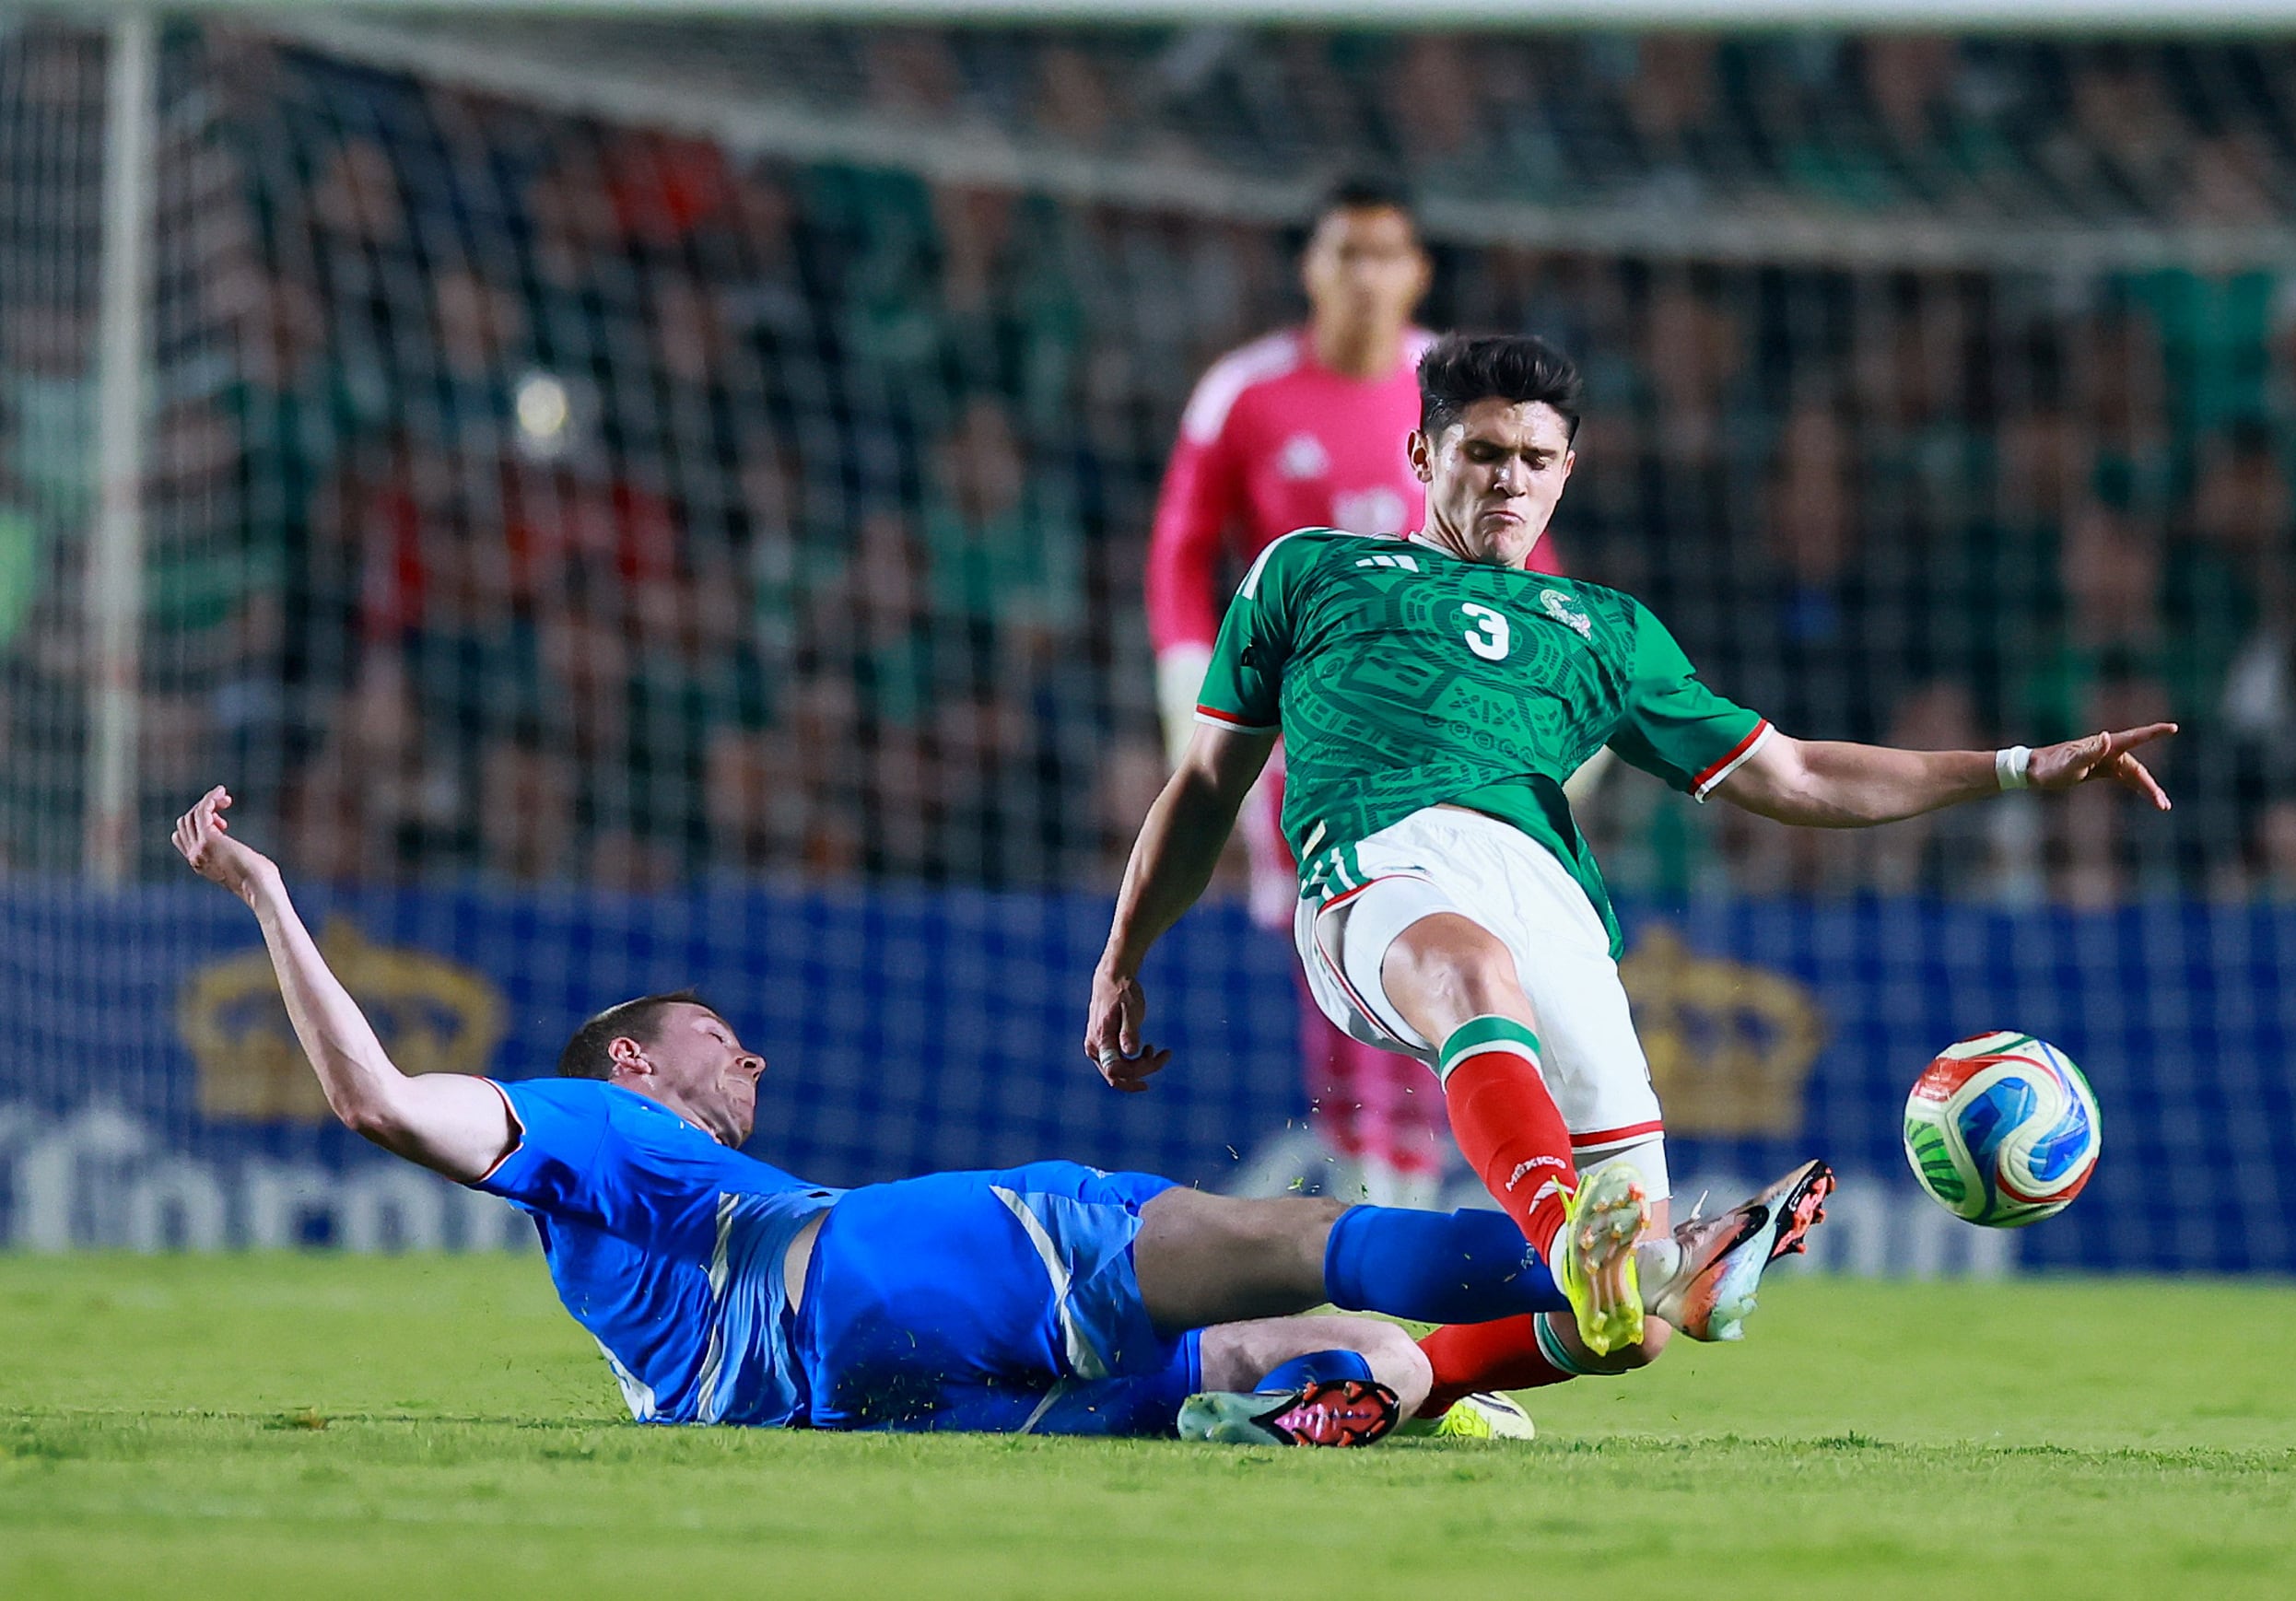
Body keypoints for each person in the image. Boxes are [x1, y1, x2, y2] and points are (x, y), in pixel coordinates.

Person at [1087, 333, 2174, 1407]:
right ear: (1420, 456)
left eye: (1532, 458)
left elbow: (1794, 775)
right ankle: (1590, 1245)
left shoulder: (1606, 630)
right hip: (1376, 871)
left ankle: (1373, 1391)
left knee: (1626, 1336)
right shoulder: (1310, 569)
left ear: (1567, 472)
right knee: (1469, 973)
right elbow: (1205, 788)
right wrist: (1126, 949)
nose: (1506, 477)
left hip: (1550, 910)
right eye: (1479, 452)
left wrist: (2019, 767)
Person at [171, 786, 1590, 1446]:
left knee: (1333, 1355)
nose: (754, 1062)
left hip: (852, 1401)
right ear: (633, 1066)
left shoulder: (608, 1265)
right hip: (875, 1257)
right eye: (716, 1043)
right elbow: (373, 1096)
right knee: (1293, 1236)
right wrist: (269, 894)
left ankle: (1329, 1407)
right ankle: (1606, 1266)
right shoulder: (590, 1123)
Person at [1145, 177, 1575, 1205]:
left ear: (1416, 271)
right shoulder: (1243, 394)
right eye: (1346, 254)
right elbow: (1179, 554)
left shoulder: (1456, 386)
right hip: (1301, 729)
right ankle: (1378, 1179)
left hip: (1445, 730)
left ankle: (1402, 1188)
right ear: (1312, 268)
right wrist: (1186, 681)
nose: (1366, 277)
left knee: (1412, 932)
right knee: (1337, 941)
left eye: (1386, 256)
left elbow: (1532, 553)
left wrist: (1557, 691)